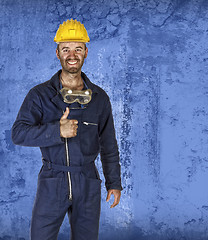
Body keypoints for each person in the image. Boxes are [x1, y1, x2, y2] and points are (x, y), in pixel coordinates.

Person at [12, 19, 122, 240]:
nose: (72, 55)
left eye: (78, 49)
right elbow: (18, 133)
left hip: (88, 180)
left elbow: (109, 144)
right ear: (57, 53)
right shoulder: (40, 95)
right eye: (66, 49)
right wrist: (56, 130)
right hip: (53, 179)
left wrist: (114, 183)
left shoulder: (100, 98)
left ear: (86, 52)